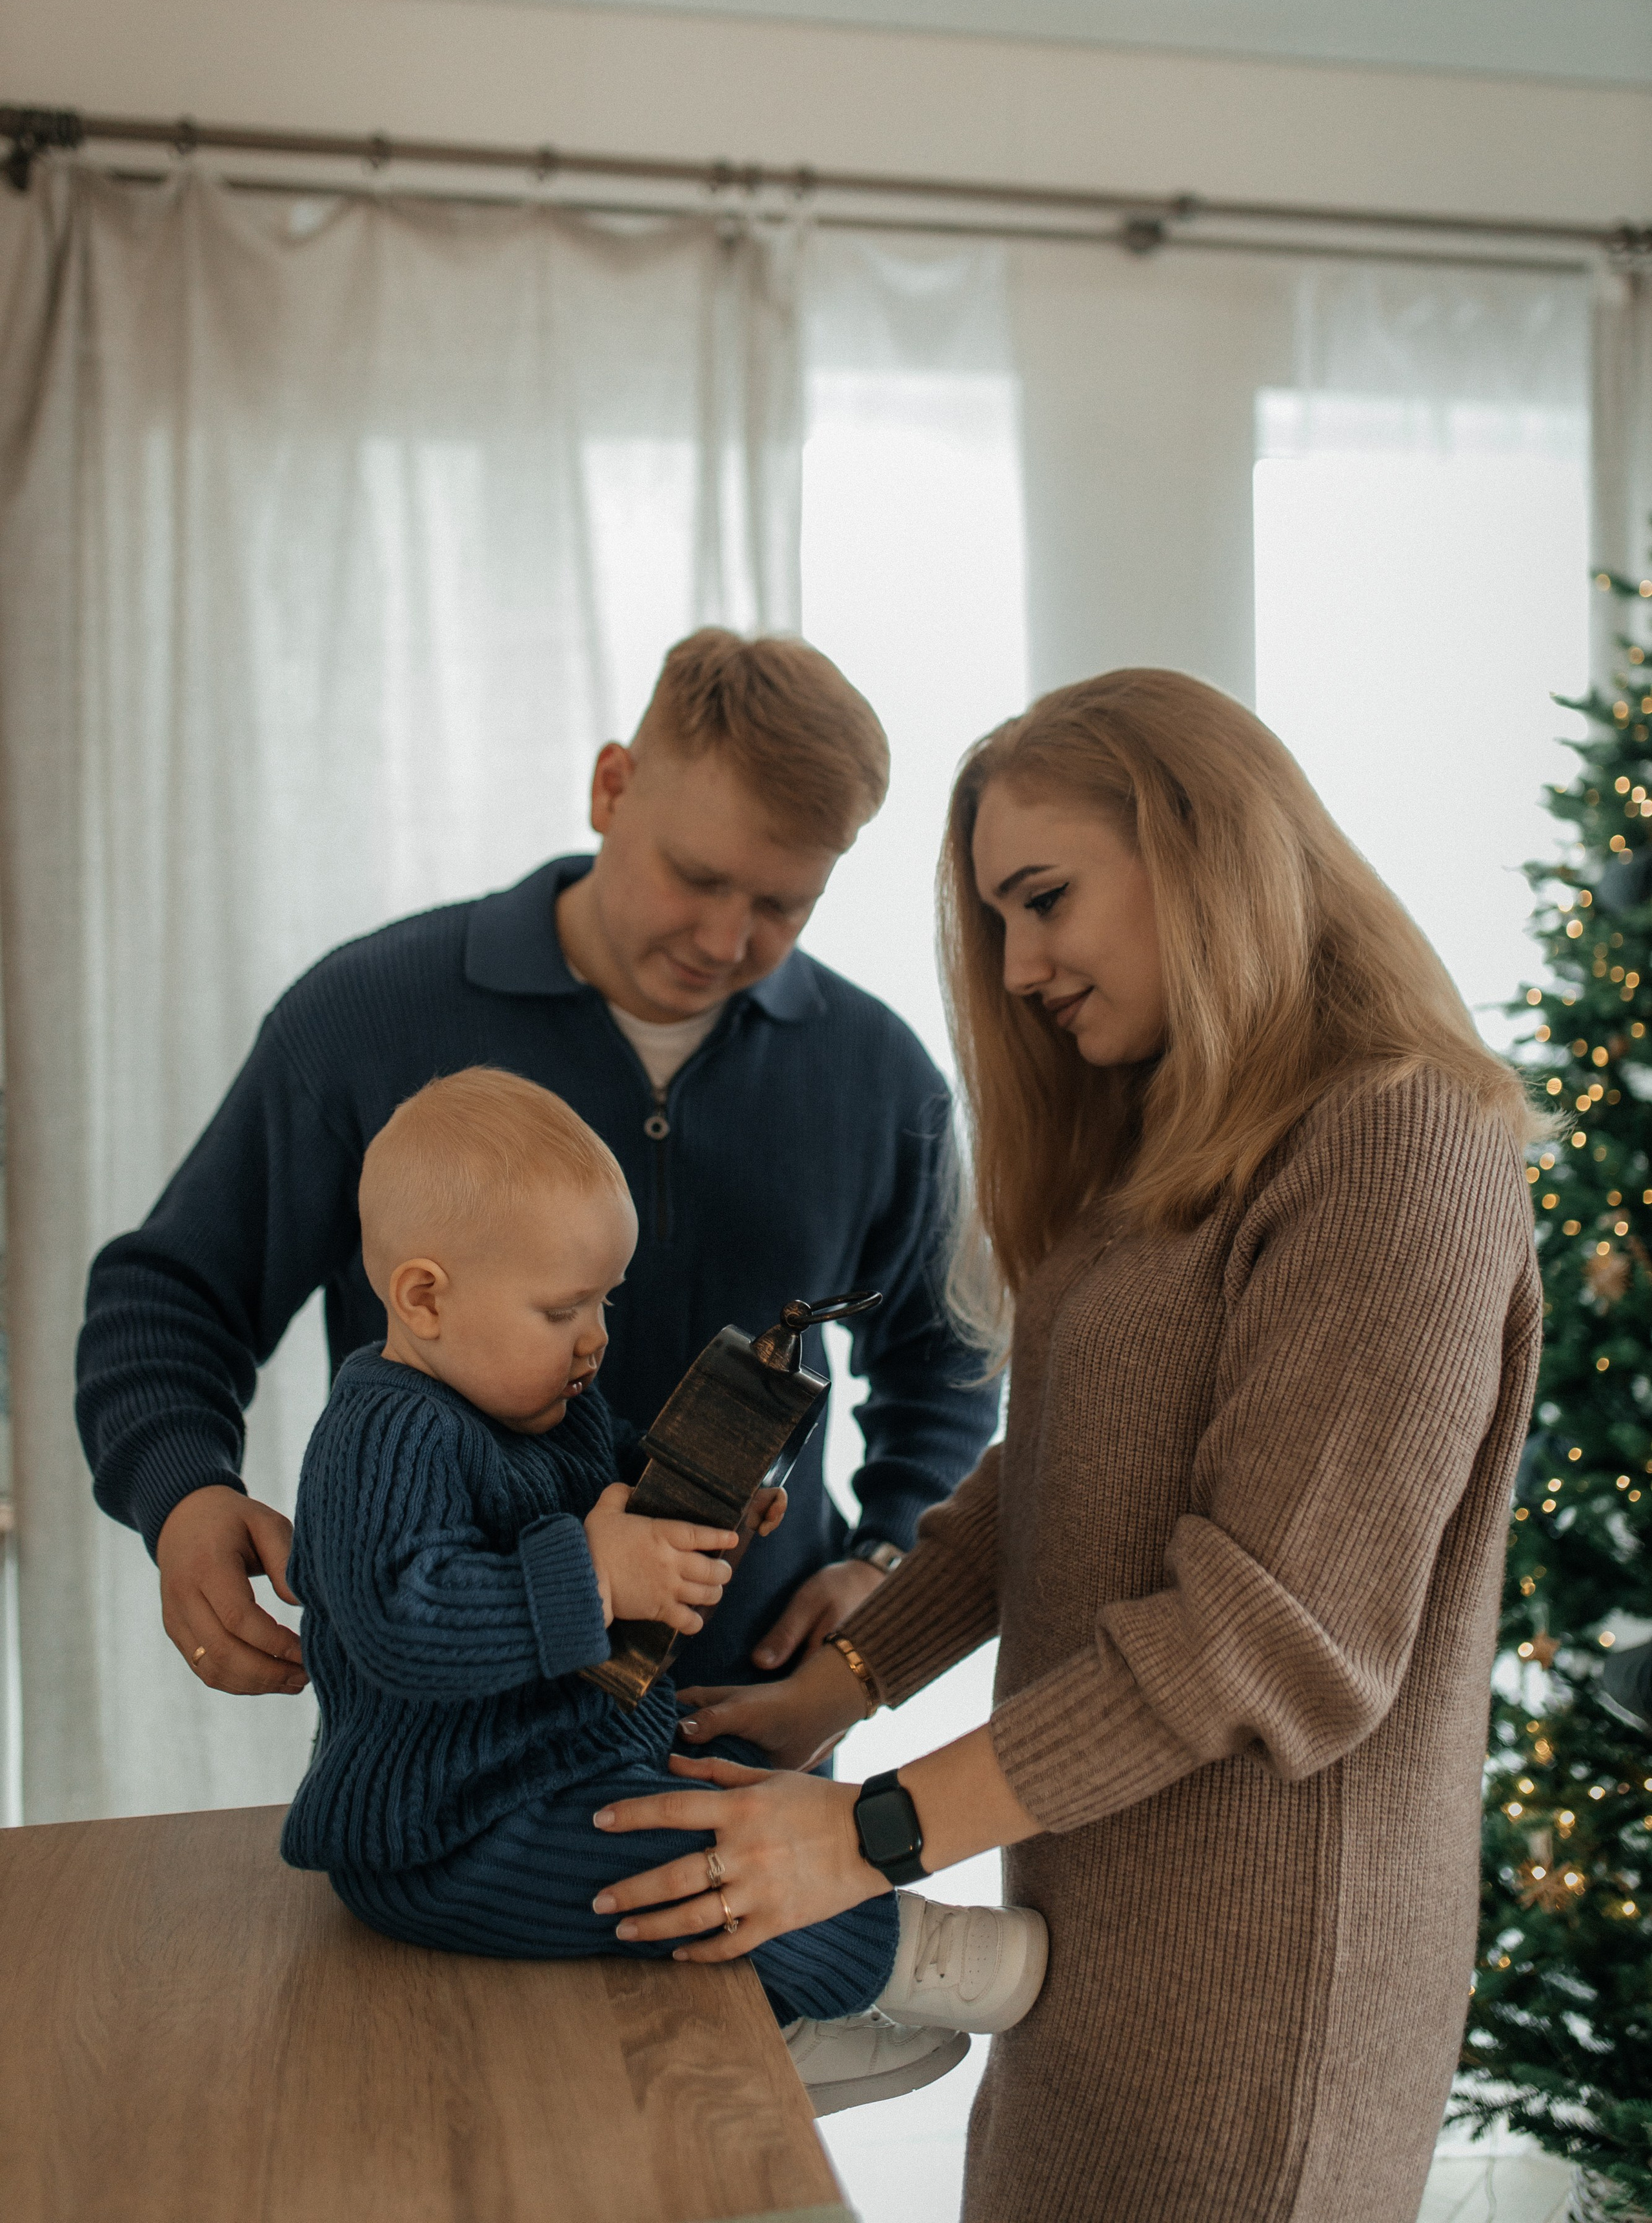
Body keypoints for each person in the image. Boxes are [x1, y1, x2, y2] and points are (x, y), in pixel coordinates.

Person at [585, 669, 1542, 2223]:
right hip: (1088, 1920)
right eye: (996, 923)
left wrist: (870, 1834)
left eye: (1043, 902)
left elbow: (1262, 1640)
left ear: (1203, 848)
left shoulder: (1396, 1141)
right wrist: (818, 1700)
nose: (1018, 968)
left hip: (1263, 1993)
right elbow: (1040, 1490)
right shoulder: (1168, 1142)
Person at [76, 629, 998, 1702]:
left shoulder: (879, 1075)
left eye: (783, 904)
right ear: (612, 787)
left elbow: (948, 1355)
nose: (722, 937)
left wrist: (887, 1555)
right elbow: (173, 1294)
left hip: (751, 1749)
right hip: (441, 1757)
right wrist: (182, 1491)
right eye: (694, 875)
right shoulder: (368, 1016)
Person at [283, 1066, 1045, 2115]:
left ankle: (785, 2013)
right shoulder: (383, 1431)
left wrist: (702, 1501)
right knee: (704, 1855)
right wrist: (592, 1572)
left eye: (604, 1300)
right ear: (424, 1298)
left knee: (750, 1795)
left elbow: (611, 1492)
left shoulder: (549, 1403)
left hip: (562, 1763)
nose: (596, 1337)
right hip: (449, 1831)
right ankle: (911, 1957)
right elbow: (401, 1624)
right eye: (563, 1309)